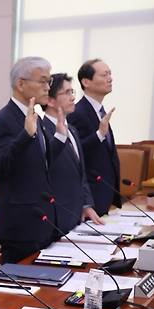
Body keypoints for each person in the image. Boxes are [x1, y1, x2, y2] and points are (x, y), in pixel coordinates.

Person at [0, 56, 67, 263]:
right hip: (20, 226)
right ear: (20, 84)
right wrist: (25, 135)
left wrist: (60, 136)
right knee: (19, 292)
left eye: (48, 82)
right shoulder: (3, 119)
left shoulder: (34, 117)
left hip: (43, 219)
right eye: (42, 81)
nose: (47, 87)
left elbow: (42, 161)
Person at [42, 73, 103, 234]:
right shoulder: (43, 133)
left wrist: (86, 205)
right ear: (50, 100)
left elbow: (80, 175)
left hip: (76, 218)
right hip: (55, 220)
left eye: (72, 92)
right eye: (66, 93)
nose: (72, 97)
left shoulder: (73, 131)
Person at [67, 59, 120, 216]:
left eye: (110, 74)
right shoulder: (78, 112)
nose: (110, 78)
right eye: (104, 75)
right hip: (92, 195)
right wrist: (99, 135)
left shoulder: (100, 110)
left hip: (106, 193)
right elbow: (75, 152)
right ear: (86, 82)